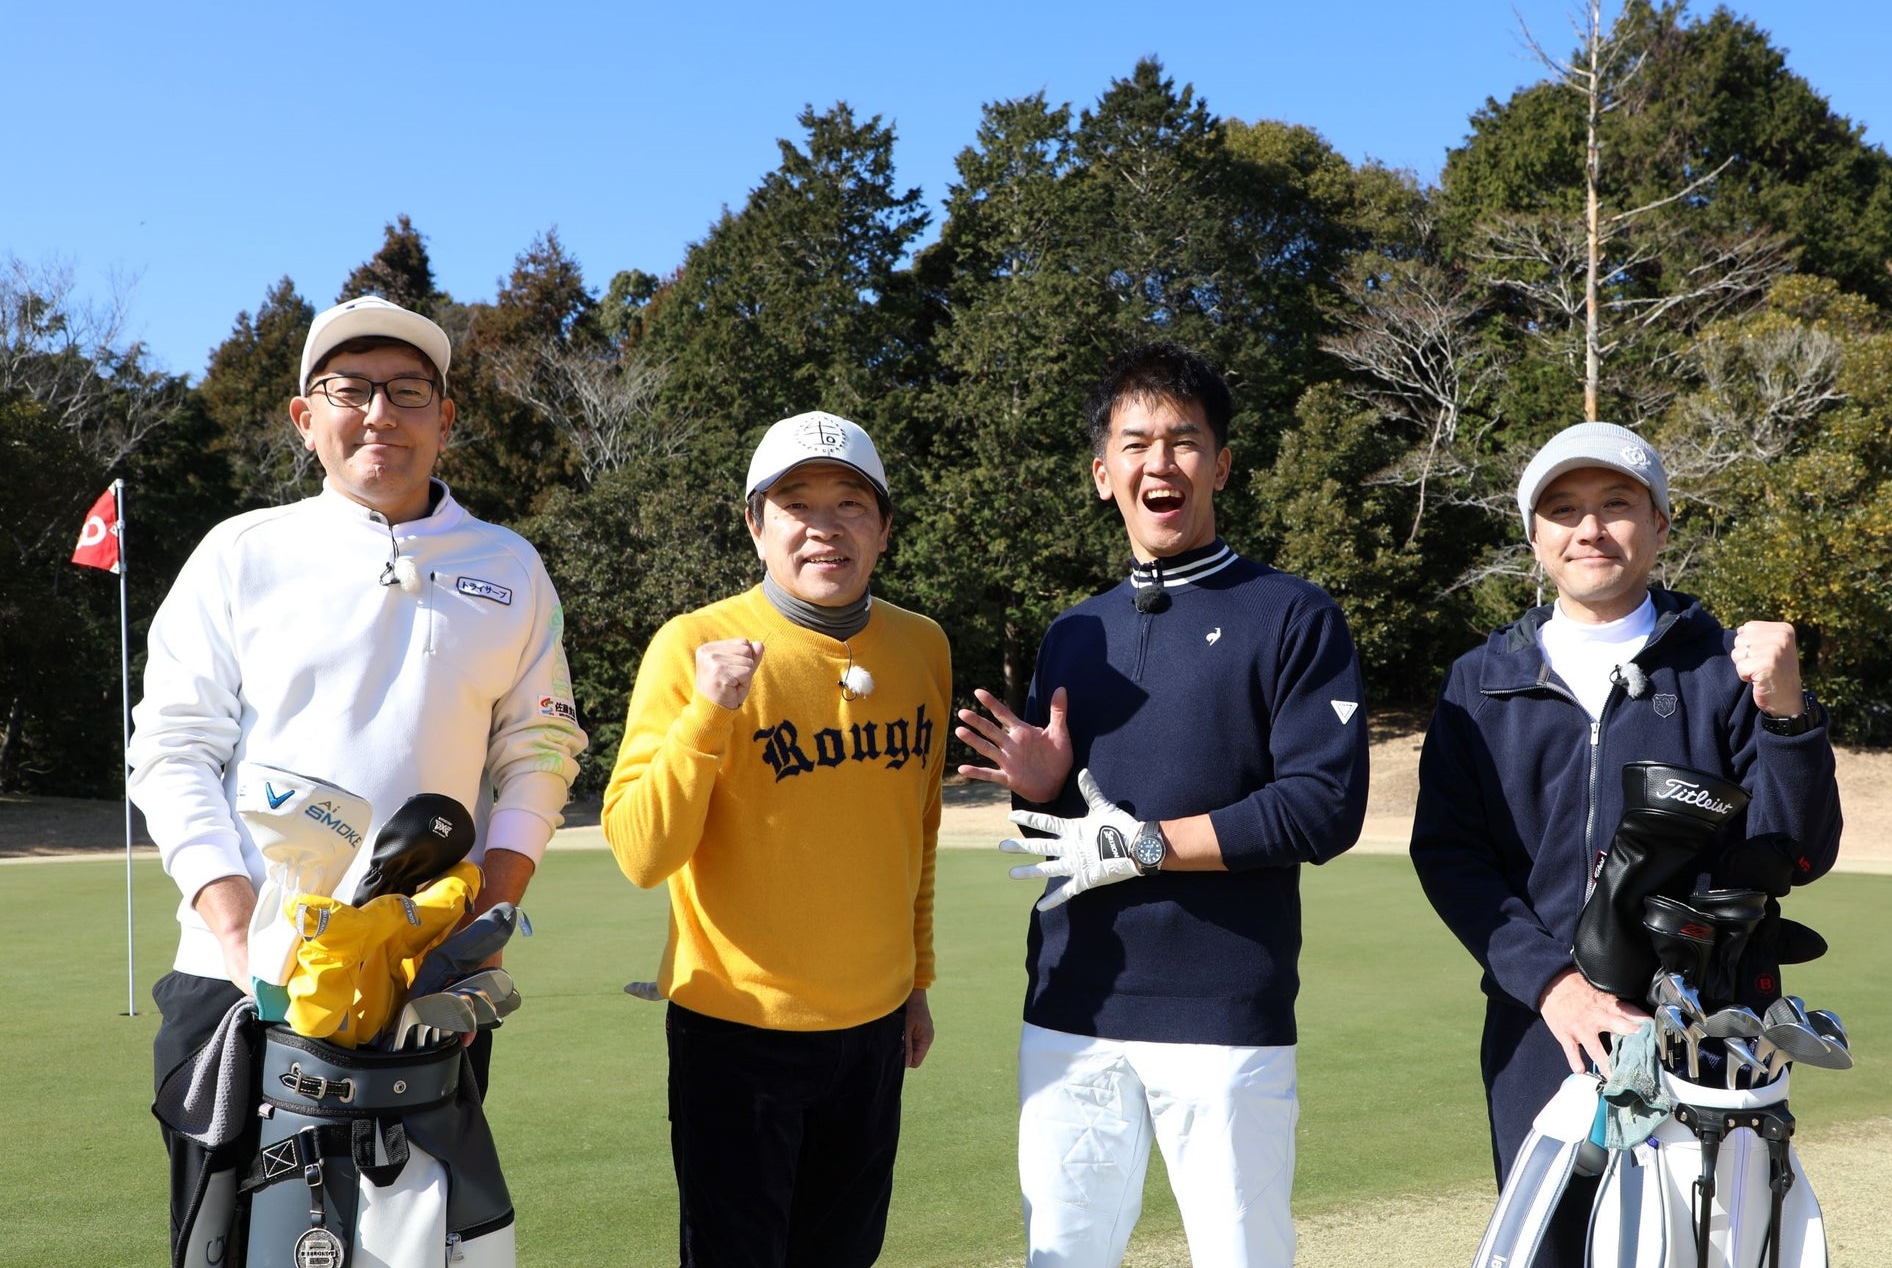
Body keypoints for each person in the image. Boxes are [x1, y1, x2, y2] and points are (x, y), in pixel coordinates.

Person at [129, 295, 588, 1261]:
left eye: (409, 391)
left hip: (426, 979)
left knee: (416, 1245)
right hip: (235, 992)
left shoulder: (508, 565)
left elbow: (538, 751)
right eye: (351, 389)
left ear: (444, 418)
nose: (380, 412)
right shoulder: (241, 554)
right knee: (228, 1250)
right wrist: (242, 925)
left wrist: (487, 916)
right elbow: (172, 747)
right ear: (306, 417)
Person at [956, 342, 1370, 1267]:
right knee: (1061, 1255)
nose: (1160, 462)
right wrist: (1038, 788)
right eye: (1135, 442)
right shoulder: (1074, 632)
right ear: (1104, 475)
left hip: (1224, 1014)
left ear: (1221, 465)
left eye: (1184, 441)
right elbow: (1062, 837)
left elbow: (1322, 806)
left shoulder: (1294, 614)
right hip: (1072, 1008)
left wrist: (1146, 844)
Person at [1408, 421, 1843, 1267]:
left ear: (1660, 524)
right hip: (1547, 1031)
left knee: (1705, 1248)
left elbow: (1799, 850)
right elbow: (1452, 859)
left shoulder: (1725, 670)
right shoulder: (1480, 680)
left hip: (1708, 1027)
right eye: (1563, 509)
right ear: (1534, 536)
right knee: (1554, 1251)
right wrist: (1551, 985)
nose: (1590, 529)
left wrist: (1786, 711)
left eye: (1617, 504)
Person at [603, 410, 950, 1267]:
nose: (824, 527)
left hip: (872, 1029)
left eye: (850, 504)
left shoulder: (923, 646)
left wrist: (917, 979)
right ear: (756, 526)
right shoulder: (692, 646)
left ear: (884, 527)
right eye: (795, 505)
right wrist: (707, 713)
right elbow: (642, 852)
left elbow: (918, 828)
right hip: (737, 1032)